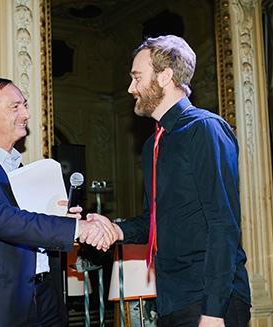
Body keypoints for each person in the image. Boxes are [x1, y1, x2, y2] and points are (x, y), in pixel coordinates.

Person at [88, 35, 251, 326]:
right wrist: (115, 229)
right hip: (170, 300)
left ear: (165, 77)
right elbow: (154, 220)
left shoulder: (205, 129)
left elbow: (223, 224)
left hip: (208, 300)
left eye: (137, 77)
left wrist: (213, 312)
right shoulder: (153, 143)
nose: (130, 88)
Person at [0, 78, 115, 327]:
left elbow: (33, 223)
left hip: (46, 295)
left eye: (24, 105)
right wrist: (76, 229)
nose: (26, 114)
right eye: (15, 107)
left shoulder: (22, 169)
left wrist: (63, 219)